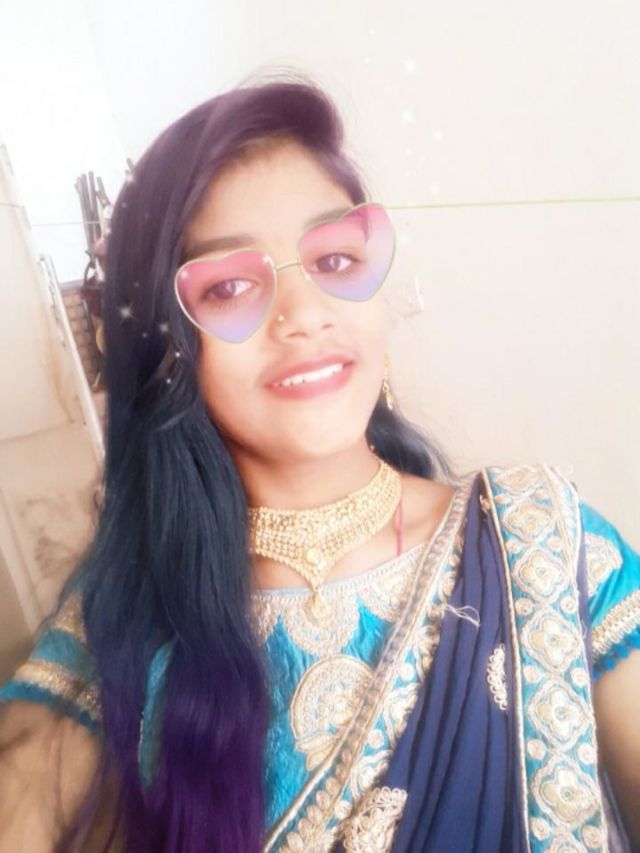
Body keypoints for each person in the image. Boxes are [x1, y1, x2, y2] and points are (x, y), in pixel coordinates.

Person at [0, 71, 638, 853]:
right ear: (165, 346)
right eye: (230, 285)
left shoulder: (544, 546)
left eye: (335, 259)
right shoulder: (122, 623)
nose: (304, 315)